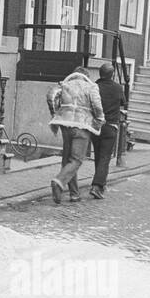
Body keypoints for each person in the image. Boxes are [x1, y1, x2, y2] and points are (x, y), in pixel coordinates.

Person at [46, 68, 105, 204]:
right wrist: (100, 119)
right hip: (82, 125)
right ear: (86, 76)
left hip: (65, 124)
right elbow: (97, 105)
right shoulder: (91, 86)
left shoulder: (65, 84)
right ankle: (59, 181)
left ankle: (74, 194)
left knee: (68, 160)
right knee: (77, 160)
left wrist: (55, 114)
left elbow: (51, 96)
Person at [89, 63, 126, 200]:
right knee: (105, 157)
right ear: (112, 74)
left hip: (96, 125)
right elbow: (123, 102)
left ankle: (100, 183)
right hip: (110, 126)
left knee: (98, 156)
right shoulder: (117, 87)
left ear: (100, 73)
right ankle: (97, 186)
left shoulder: (94, 86)